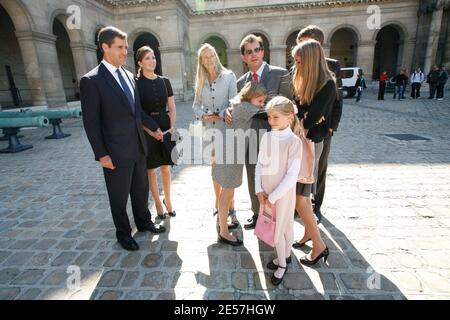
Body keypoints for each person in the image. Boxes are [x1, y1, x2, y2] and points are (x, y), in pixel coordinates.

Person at [80, 27, 166, 252]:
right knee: (118, 197)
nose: (124, 51)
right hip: (115, 152)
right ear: (105, 47)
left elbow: (136, 112)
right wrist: (101, 154)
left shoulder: (129, 75)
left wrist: (154, 127)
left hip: (139, 146)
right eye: (120, 47)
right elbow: (91, 122)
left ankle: (144, 222)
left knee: (141, 189)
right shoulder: (92, 80)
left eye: (126, 47)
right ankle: (123, 234)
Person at [230, 34, 291, 230]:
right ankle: (257, 214)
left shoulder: (280, 74)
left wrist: (252, 110)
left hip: (277, 139)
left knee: (275, 178)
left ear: (263, 51)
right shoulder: (240, 83)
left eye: (257, 49)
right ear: (243, 57)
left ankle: (276, 216)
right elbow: (238, 112)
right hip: (251, 139)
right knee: (253, 177)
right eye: (249, 52)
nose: (254, 54)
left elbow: (289, 107)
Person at [291, 39, 336, 266]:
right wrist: (303, 114)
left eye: (299, 61)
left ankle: (319, 246)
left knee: (300, 198)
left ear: (310, 61)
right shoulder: (304, 81)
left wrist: (303, 114)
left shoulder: (327, 84)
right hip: (299, 142)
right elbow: (297, 109)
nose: (296, 66)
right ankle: (310, 234)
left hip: (309, 144)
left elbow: (307, 117)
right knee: (303, 197)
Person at [296, 25, 343, 224]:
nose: (296, 64)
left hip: (318, 134)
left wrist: (330, 125)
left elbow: (336, 102)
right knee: (303, 179)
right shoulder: (300, 73)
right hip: (302, 134)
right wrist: (305, 114)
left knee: (316, 173)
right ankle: (305, 214)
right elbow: (296, 105)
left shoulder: (328, 77)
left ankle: (315, 210)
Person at [192, 43, 239, 234]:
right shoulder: (200, 80)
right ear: (201, 61)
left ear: (216, 56)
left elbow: (234, 102)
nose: (209, 60)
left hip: (225, 129)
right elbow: (195, 106)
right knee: (215, 169)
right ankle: (218, 203)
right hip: (208, 132)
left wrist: (220, 113)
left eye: (212, 56)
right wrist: (203, 115)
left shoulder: (229, 76)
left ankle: (231, 206)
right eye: (205, 57)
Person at [214, 81, 267, 246]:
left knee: (226, 192)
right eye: (259, 101)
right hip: (231, 155)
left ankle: (222, 224)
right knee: (227, 192)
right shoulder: (245, 108)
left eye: (263, 101)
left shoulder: (238, 105)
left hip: (228, 152)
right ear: (249, 98)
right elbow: (267, 112)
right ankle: (223, 232)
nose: (261, 104)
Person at [255, 96, 302, 285]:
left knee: (281, 229)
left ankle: (283, 263)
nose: (271, 121)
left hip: (281, 195)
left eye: (275, 117)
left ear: (289, 117)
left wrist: (273, 197)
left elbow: (292, 175)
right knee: (278, 226)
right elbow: (259, 164)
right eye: (269, 117)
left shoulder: (293, 141)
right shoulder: (267, 137)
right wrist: (259, 189)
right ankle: (286, 256)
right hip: (266, 193)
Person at [135, 46, 177, 219]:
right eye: (147, 58)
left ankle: (168, 201)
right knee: (151, 169)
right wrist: (151, 131)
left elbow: (172, 107)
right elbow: (138, 111)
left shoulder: (165, 81)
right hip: (147, 129)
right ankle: (157, 203)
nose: (152, 61)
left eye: (153, 57)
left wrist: (170, 129)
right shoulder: (135, 83)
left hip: (166, 128)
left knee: (166, 168)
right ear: (140, 62)